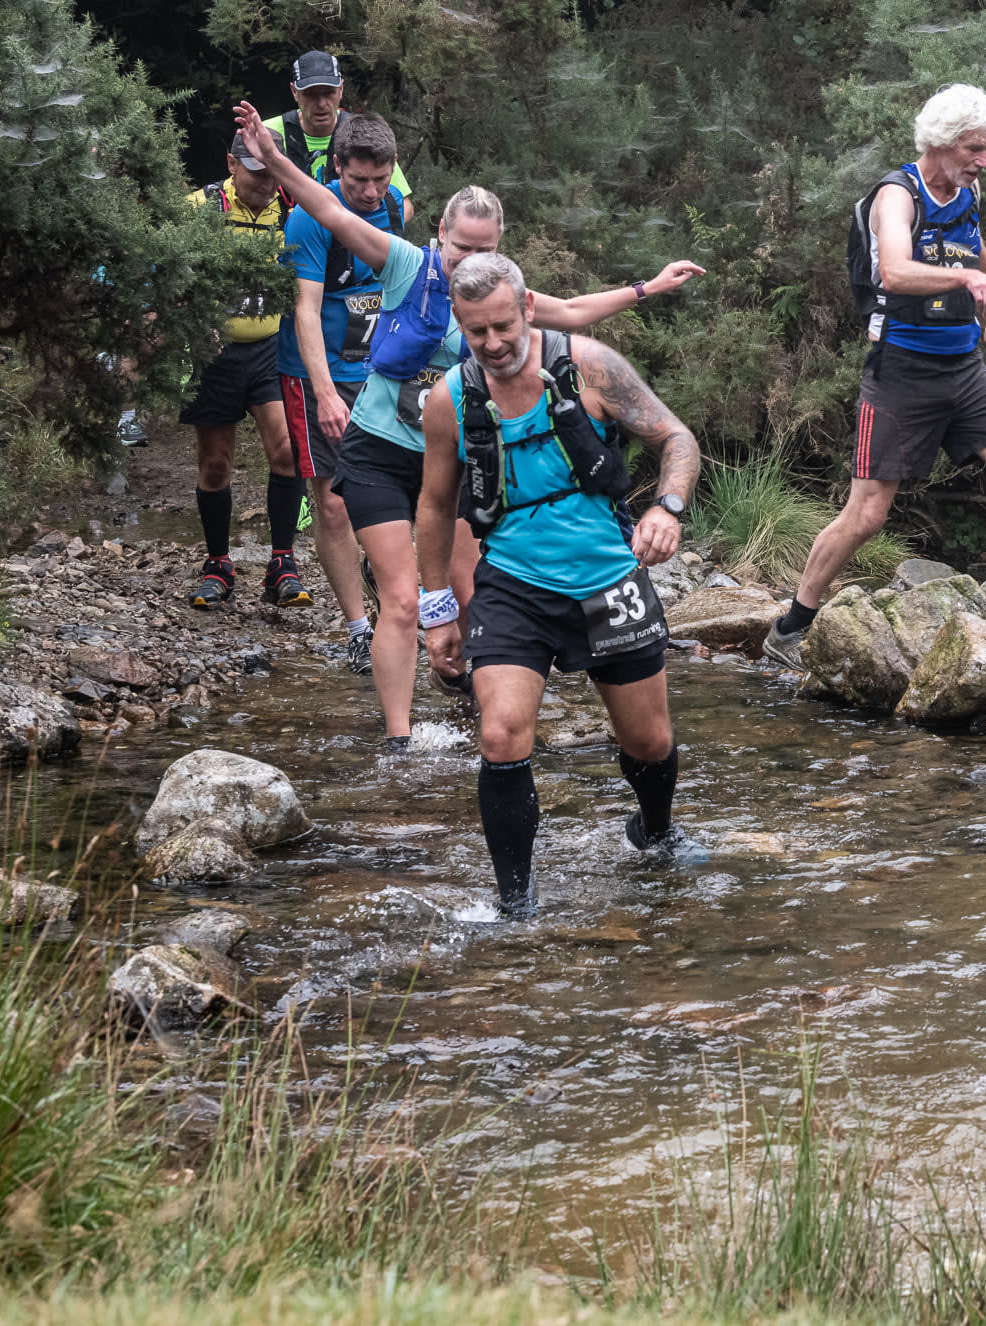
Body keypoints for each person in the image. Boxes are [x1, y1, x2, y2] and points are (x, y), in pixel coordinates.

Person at [230, 101, 705, 748]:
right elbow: (333, 212)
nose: (468, 261)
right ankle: (400, 741)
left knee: (469, 592)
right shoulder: (405, 264)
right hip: (377, 451)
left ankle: (488, 708)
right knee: (400, 598)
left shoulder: (502, 299)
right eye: (460, 247)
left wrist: (646, 288)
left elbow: (571, 311)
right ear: (440, 235)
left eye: (484, 250)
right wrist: (278, 158)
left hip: (450, 466)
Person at [415, 254, 703, 914]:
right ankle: (515, 901)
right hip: (513, 587)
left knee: (649, 742)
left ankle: (654, 832)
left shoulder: (591, 367)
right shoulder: (449, 400)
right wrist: (437, 609)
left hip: (607, 577)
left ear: (527, 307)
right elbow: (435, 505)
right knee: (501, 734)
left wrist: (668, 507)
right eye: (475, 332)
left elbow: (677, 438)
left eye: (502, 328)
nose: (491, 344)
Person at [763, 83, 986, 670]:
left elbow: (971, 246)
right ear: (939, 143)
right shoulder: (897, 194)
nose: (983, 160)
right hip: (901, 372)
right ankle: (792, 624)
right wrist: (966, 284)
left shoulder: (968, 189)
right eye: (973, 148)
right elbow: (894, 270)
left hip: (965, 368)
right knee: (867, 514)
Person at [276, 111, 407, 674]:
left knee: (392, 486)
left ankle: (387, 584)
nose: (371, 193)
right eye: (358, 182)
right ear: (337, 169)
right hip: (316, 373)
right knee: (330, 501)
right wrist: (326, 394)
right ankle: (357, 628)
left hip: (378, 371)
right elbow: (305, 309)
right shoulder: (309, 221)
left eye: (380, 180)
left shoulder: (396, 208)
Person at [182, 127, 307, 609]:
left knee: (287, 451)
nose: (262, 183)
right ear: (232, 166)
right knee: (215, 465)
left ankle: (282, 562)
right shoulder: (201, 208)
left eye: (269, 172)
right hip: (213, 351)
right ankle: (218, 563)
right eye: (254, 173)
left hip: (270, 348)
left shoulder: (290, 211)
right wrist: (194, 320)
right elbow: (169, 269)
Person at [263, 51, 414, 224]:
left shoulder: (362, 133)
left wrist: (367, 237)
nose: (321, 104)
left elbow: (405, 205)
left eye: (328, 93)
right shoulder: (268, 134)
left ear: (341, 89)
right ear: (294, 92)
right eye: (310, 94)